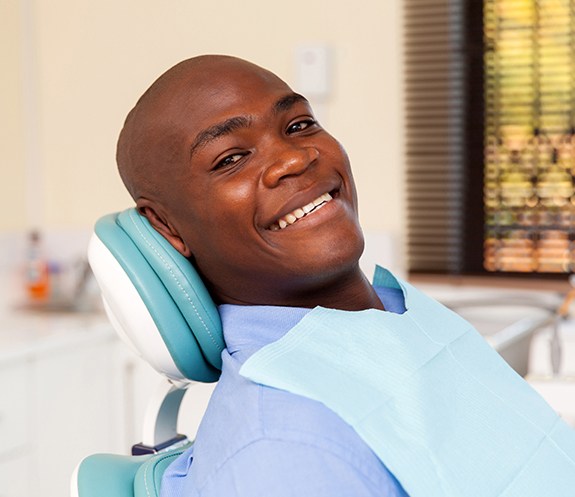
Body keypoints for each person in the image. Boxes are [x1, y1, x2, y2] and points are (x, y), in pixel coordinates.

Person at [117, 55, 409, 496]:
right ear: (167, 227)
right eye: (231, 158)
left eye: (298, 125)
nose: (294, 159)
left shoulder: (401, 315)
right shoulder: (283, 451)